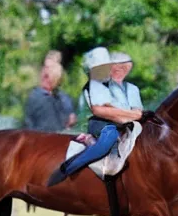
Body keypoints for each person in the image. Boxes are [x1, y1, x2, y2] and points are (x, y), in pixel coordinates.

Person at [48, 47, 143, 186]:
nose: (103, 70)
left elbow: (111, 107)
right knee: (108, 137)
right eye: (99, 68)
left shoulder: (109, 86)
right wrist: (130, 115)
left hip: (111, 120)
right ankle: (69, 167)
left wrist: (131, 115)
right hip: (98, 123)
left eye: (106, 66)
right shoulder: (94, 85)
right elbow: (100, 111)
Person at [24, 58, 76, 132]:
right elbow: (50, 127)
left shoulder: (60, 96)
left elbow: (71, 119)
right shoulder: (39, 98)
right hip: (41, 138)